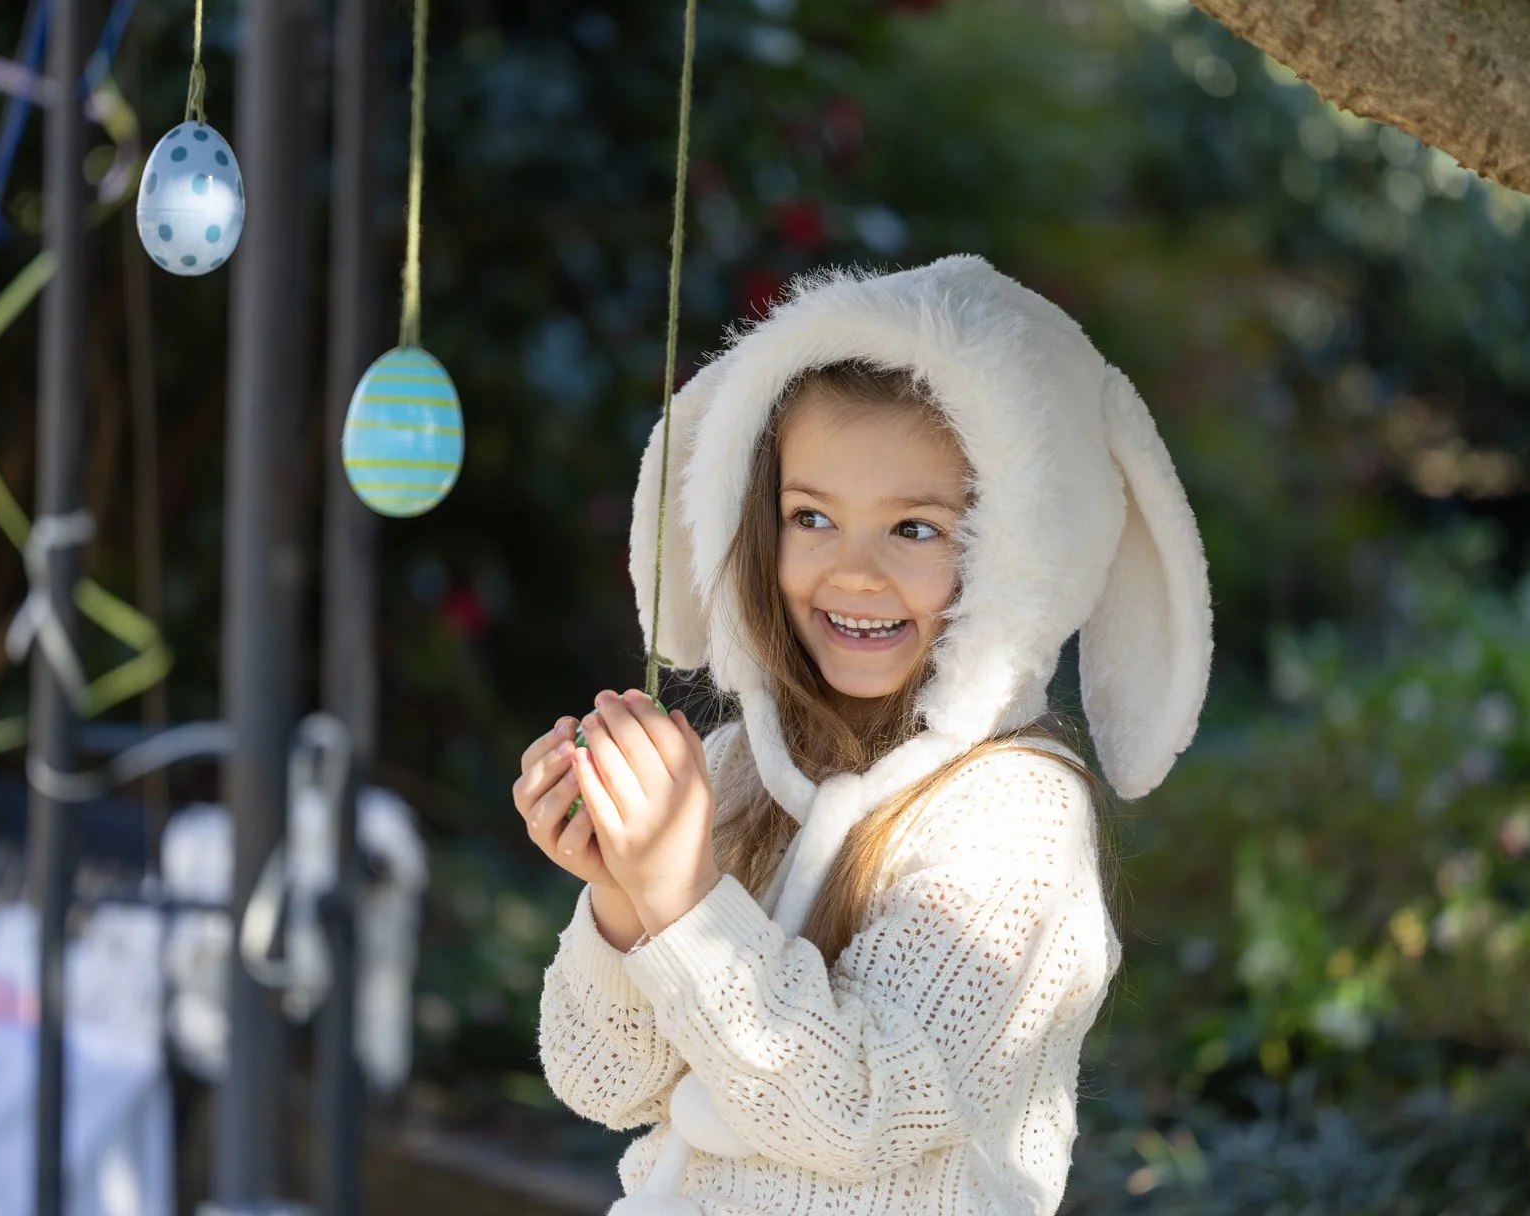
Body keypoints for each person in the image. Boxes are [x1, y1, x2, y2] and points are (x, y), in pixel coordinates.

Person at [515, 255, 1212, 1215]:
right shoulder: (736, 771)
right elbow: (601, 1080)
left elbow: (857, 1112)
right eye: (811, 517)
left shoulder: (1015, 816)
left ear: (1025, 551)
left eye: (915, 529)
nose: (853, 573)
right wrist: (620, 894)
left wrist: (680, 897)